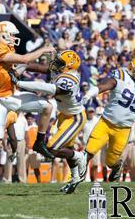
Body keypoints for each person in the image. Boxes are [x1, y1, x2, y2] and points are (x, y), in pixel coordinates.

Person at [0, 20, 54, 198]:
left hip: (13, 96)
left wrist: (46, 70)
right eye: (12, 35)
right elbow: (24, 59)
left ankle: (39, 141)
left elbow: (17, 69)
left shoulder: (7, 50)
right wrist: (43, 50)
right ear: (2, 34)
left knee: (47, 107)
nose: (14, 38)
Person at [11, 50, 87, 194]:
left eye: (60, 63)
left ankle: (80, 156)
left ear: (69, 67)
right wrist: (25, 66)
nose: (55, 64)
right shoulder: (60, 71)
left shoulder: (70, 79)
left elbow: (51, 89)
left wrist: (20, 83)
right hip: (64, 115)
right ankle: (75, 177)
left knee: (52, 148)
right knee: (67, 148)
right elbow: (42, 68)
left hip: (75, 118)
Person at [78, 58, 135, 182]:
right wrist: (90, 93)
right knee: (89, 151)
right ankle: (74, 180)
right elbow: (103, 86)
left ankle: (117, 167)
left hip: (123, 129)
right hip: (106, 122)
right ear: (132, 68)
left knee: (111, 162)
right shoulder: (122, 76)